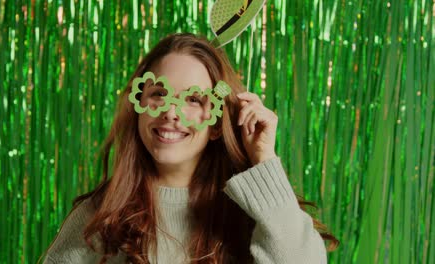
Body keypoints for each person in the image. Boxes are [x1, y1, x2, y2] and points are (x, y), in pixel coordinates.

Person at [41, 33, 338, 264]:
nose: (171, 112)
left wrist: (264, 159)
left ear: (215, 124)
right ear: (139, 106)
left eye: (194, 99)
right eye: (159, 93)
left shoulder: (253, 213)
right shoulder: (100, 216)